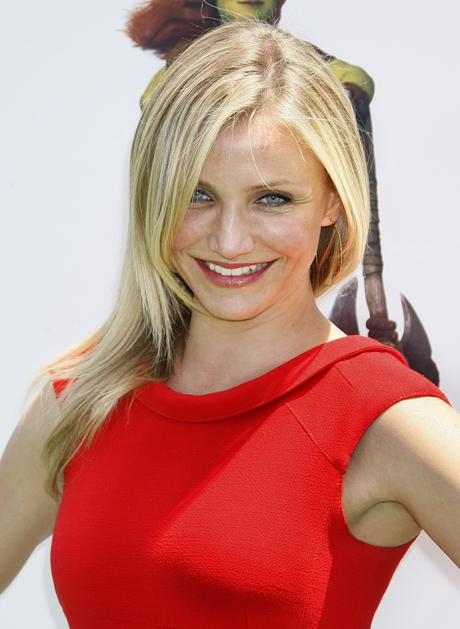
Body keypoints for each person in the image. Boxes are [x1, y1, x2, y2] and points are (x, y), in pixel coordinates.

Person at [1, 18, 458, 629]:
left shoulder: (384, 419)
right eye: (197, 194)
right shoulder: (81, 399)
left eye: (273, 198)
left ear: (332, 202)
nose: (230, 240)